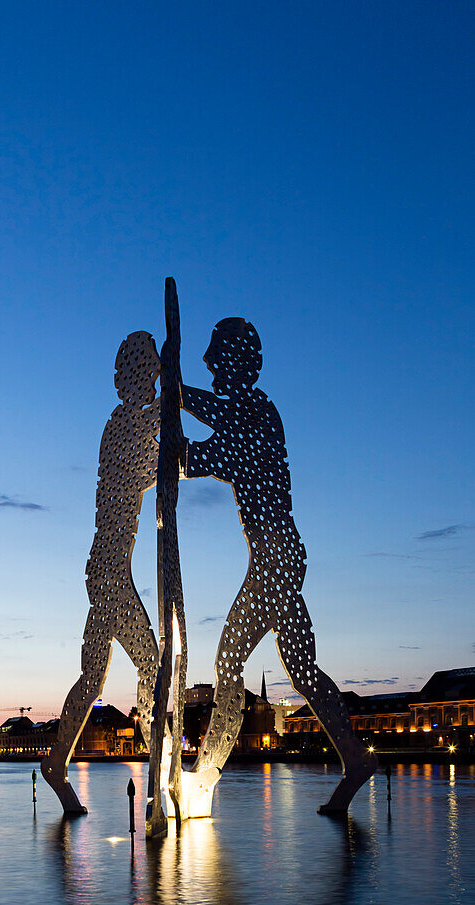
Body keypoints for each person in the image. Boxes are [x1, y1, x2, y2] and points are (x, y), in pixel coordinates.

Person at [180, 318, 375, 815]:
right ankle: (354, 760)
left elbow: (208, 454)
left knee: (228, 664)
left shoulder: (254, 415)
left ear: (235, 362)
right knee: (304, 671)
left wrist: (174, 427)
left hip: (275, 557)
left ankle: (205, 776)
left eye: (214, 354)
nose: (206, 362)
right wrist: (177, 394)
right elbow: (215, 416)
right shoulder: (253, 409)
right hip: (283, 554)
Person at [41, 332, 162, 814]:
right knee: (151, 667)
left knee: (92, 676)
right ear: (132, 379)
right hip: (111, 569)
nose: (153, 382)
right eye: (149, 374)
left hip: (107, 567)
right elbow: (156, 462)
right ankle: (159, 764)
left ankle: (55, 764)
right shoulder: (123, 428)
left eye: (156, 374)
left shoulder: (127, 423)